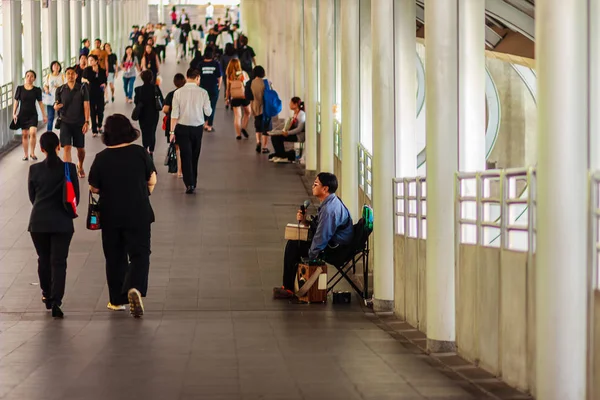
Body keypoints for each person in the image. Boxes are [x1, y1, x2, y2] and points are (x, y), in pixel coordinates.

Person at [89, 115, 156, 317]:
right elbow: (152, 179)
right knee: (140, 253)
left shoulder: (101, 158)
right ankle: (134, 287)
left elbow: (94, 187)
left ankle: (117, 301)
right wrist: (145, 192)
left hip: (110, 215)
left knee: (114, 256)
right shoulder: (140, 153)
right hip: (139, 212)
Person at [273, 173, 354, 299]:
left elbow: (321, 238)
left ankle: (288, 288)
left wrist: (311, 257)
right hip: (332, 243)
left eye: (316, 184)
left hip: (336, 250)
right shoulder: (330, 202)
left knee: (294, 246)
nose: (312, 186)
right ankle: (289, 286)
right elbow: (320, 228)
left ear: (325, 189)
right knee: (295, 244)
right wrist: (305, 221)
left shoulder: (330, 210)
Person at [28, 131, 80, 318]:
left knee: (43, 258)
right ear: (59, 146)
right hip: (62, 223)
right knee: (59, 262)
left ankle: (46, 294)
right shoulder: (69, 168)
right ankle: (57, 300)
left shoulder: (34, 170)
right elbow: (76, 199)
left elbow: (32, 197)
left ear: (41, 149)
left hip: (38, 222)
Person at [169, 68, 212, 194]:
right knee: (195, 154)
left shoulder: (178, 92)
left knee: (185, 154)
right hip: (197, 128)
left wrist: (172, 132)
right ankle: (194, 180)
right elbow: (208, 112)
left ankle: (189, 183)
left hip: (182, 128)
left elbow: (174, 114)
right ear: (198, 78)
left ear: (187, 77)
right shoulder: (203, 93)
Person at [55, 67, 90, 178]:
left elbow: (86, 105)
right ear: (65, 76)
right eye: (68, 73)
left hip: (79, 122)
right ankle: (68, 172)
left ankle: (80, 165)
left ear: (76, 76)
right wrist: (56, 106)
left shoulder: (82, 89)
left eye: (72, 74)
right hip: (65, 122)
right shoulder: (60, 90)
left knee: (80, 148)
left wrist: (87, 121)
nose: (70, 75)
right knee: (67, 147)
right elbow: (56, 103)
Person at [13, 70, 47, 161]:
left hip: (33, 115)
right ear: (25, 77)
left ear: (34, 79)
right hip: (22, 115)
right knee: (24, 134)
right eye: (27, 76)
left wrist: (44, 115)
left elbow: (40, 103)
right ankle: (25, 154)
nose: (29, 78)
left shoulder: (37, 90)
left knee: (32, 132)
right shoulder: (20, 88)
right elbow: (16, 101)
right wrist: (14, 113)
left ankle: (32, 153)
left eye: (31, 76)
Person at [134, 70, 164, 159]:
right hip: (154, 114)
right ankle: (151, 151)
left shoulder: (138, 90)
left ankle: (145, 148)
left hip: (142, 115)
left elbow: (136, 102)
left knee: (144, 131)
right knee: (152, 132)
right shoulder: (155, 88)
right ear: (151, 78)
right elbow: (162, 100)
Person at [191, 46, 221, 132]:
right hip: (213, 88)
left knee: (202, 106)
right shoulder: (216, 64)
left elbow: (197, 76)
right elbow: (219, 76)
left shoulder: (200, 64)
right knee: (212, 107)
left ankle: (203, 123)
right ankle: (209, 125)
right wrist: (219, 86)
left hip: (202, 89)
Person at [162, 73, 186, 177]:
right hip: (186, 122)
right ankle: (185, 169)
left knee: (178, 148)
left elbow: (165, 109)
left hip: (173, 123)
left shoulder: (171, 94)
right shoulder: (186, 94)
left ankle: (179, 171)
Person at [268, 97, 306, 163]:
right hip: (294, 134)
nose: (289, 104)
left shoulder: (301, 115)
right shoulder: (295, 113)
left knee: (277, 138)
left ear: (296, 104)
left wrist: (288, 133)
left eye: (291, 103)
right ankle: (280, 155)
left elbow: (299, 129)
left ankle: (282, 156)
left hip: (298, 136)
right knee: (274, 136)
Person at [225, 59, 251, 140]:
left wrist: (227, 98)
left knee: (237, 116)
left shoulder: (229, 76)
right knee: (248, 112)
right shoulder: (243, 73)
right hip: (243, 96)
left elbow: (228, 89)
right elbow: (247, 84)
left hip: (234, 97)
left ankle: (238, 134)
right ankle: (243, 127)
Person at [82, 55, 107, 137]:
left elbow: (104, 81)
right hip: (90, 93)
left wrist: (104, 84)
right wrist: (86, 80)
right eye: (89, 60)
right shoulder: (87, 70)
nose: (90, 62)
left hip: (99, 93)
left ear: (96, 61)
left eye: (92, 60)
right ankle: (94, 130)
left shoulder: (102, 70)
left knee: (100, 110)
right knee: (92, 112)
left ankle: (99, 124)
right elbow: (82, 79)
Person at [250, 65, 272, 154]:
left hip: (255, 106)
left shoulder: (251, 83)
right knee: (266, 127)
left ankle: (258, 142)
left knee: (258, 125)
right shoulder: (266, 82)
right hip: (265, 107)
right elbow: (271, 94)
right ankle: (265, 147)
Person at [43, 61, 66, 131]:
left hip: (60, 99)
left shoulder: (62, 76)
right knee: (50, 117)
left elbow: (66, 85)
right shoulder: (49, 76)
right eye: (54, 65)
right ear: (52, 67)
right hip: (50, 99)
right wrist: (46, 89)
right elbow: (45, 85)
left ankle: (62, 134)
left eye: (57, 65)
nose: (56, 66)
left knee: (61, 117)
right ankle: (49, 133)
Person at [221, 43, 238, 109]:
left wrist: (223, 74)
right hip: (234, 75)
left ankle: (227, 102)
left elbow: (221, 66)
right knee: (233, 88)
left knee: (227, 88)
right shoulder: (235, 56)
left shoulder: (223, 56)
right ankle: (232, 102)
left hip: (226, 75)